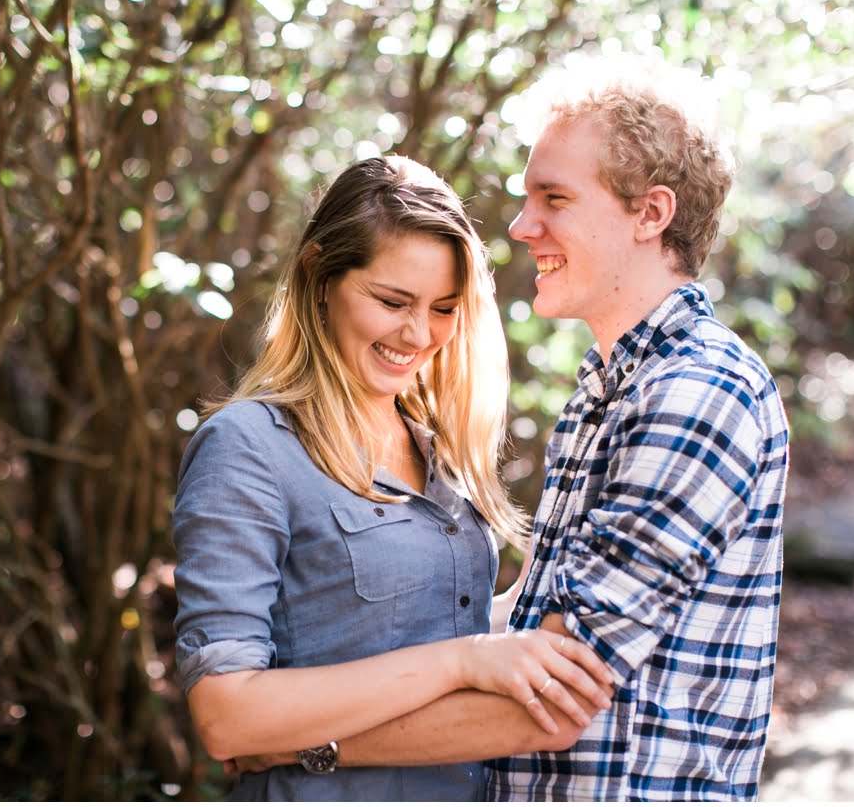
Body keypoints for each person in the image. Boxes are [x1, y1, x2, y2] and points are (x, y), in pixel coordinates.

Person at [235, 55, 788, 801]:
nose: (523, 227)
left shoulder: (695, 393)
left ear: (650, 214)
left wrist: (304, 746)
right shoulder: (610, 387)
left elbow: (549, 698)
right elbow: (525, 625)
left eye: (553, 198)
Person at [170, 155, 615, 801]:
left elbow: (416, 622)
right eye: (392, 301)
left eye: (443, 308)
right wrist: (465, 662)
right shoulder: (248, 448)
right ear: (319, 276)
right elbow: (225, 715)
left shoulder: (435, 442)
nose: (418, 335)